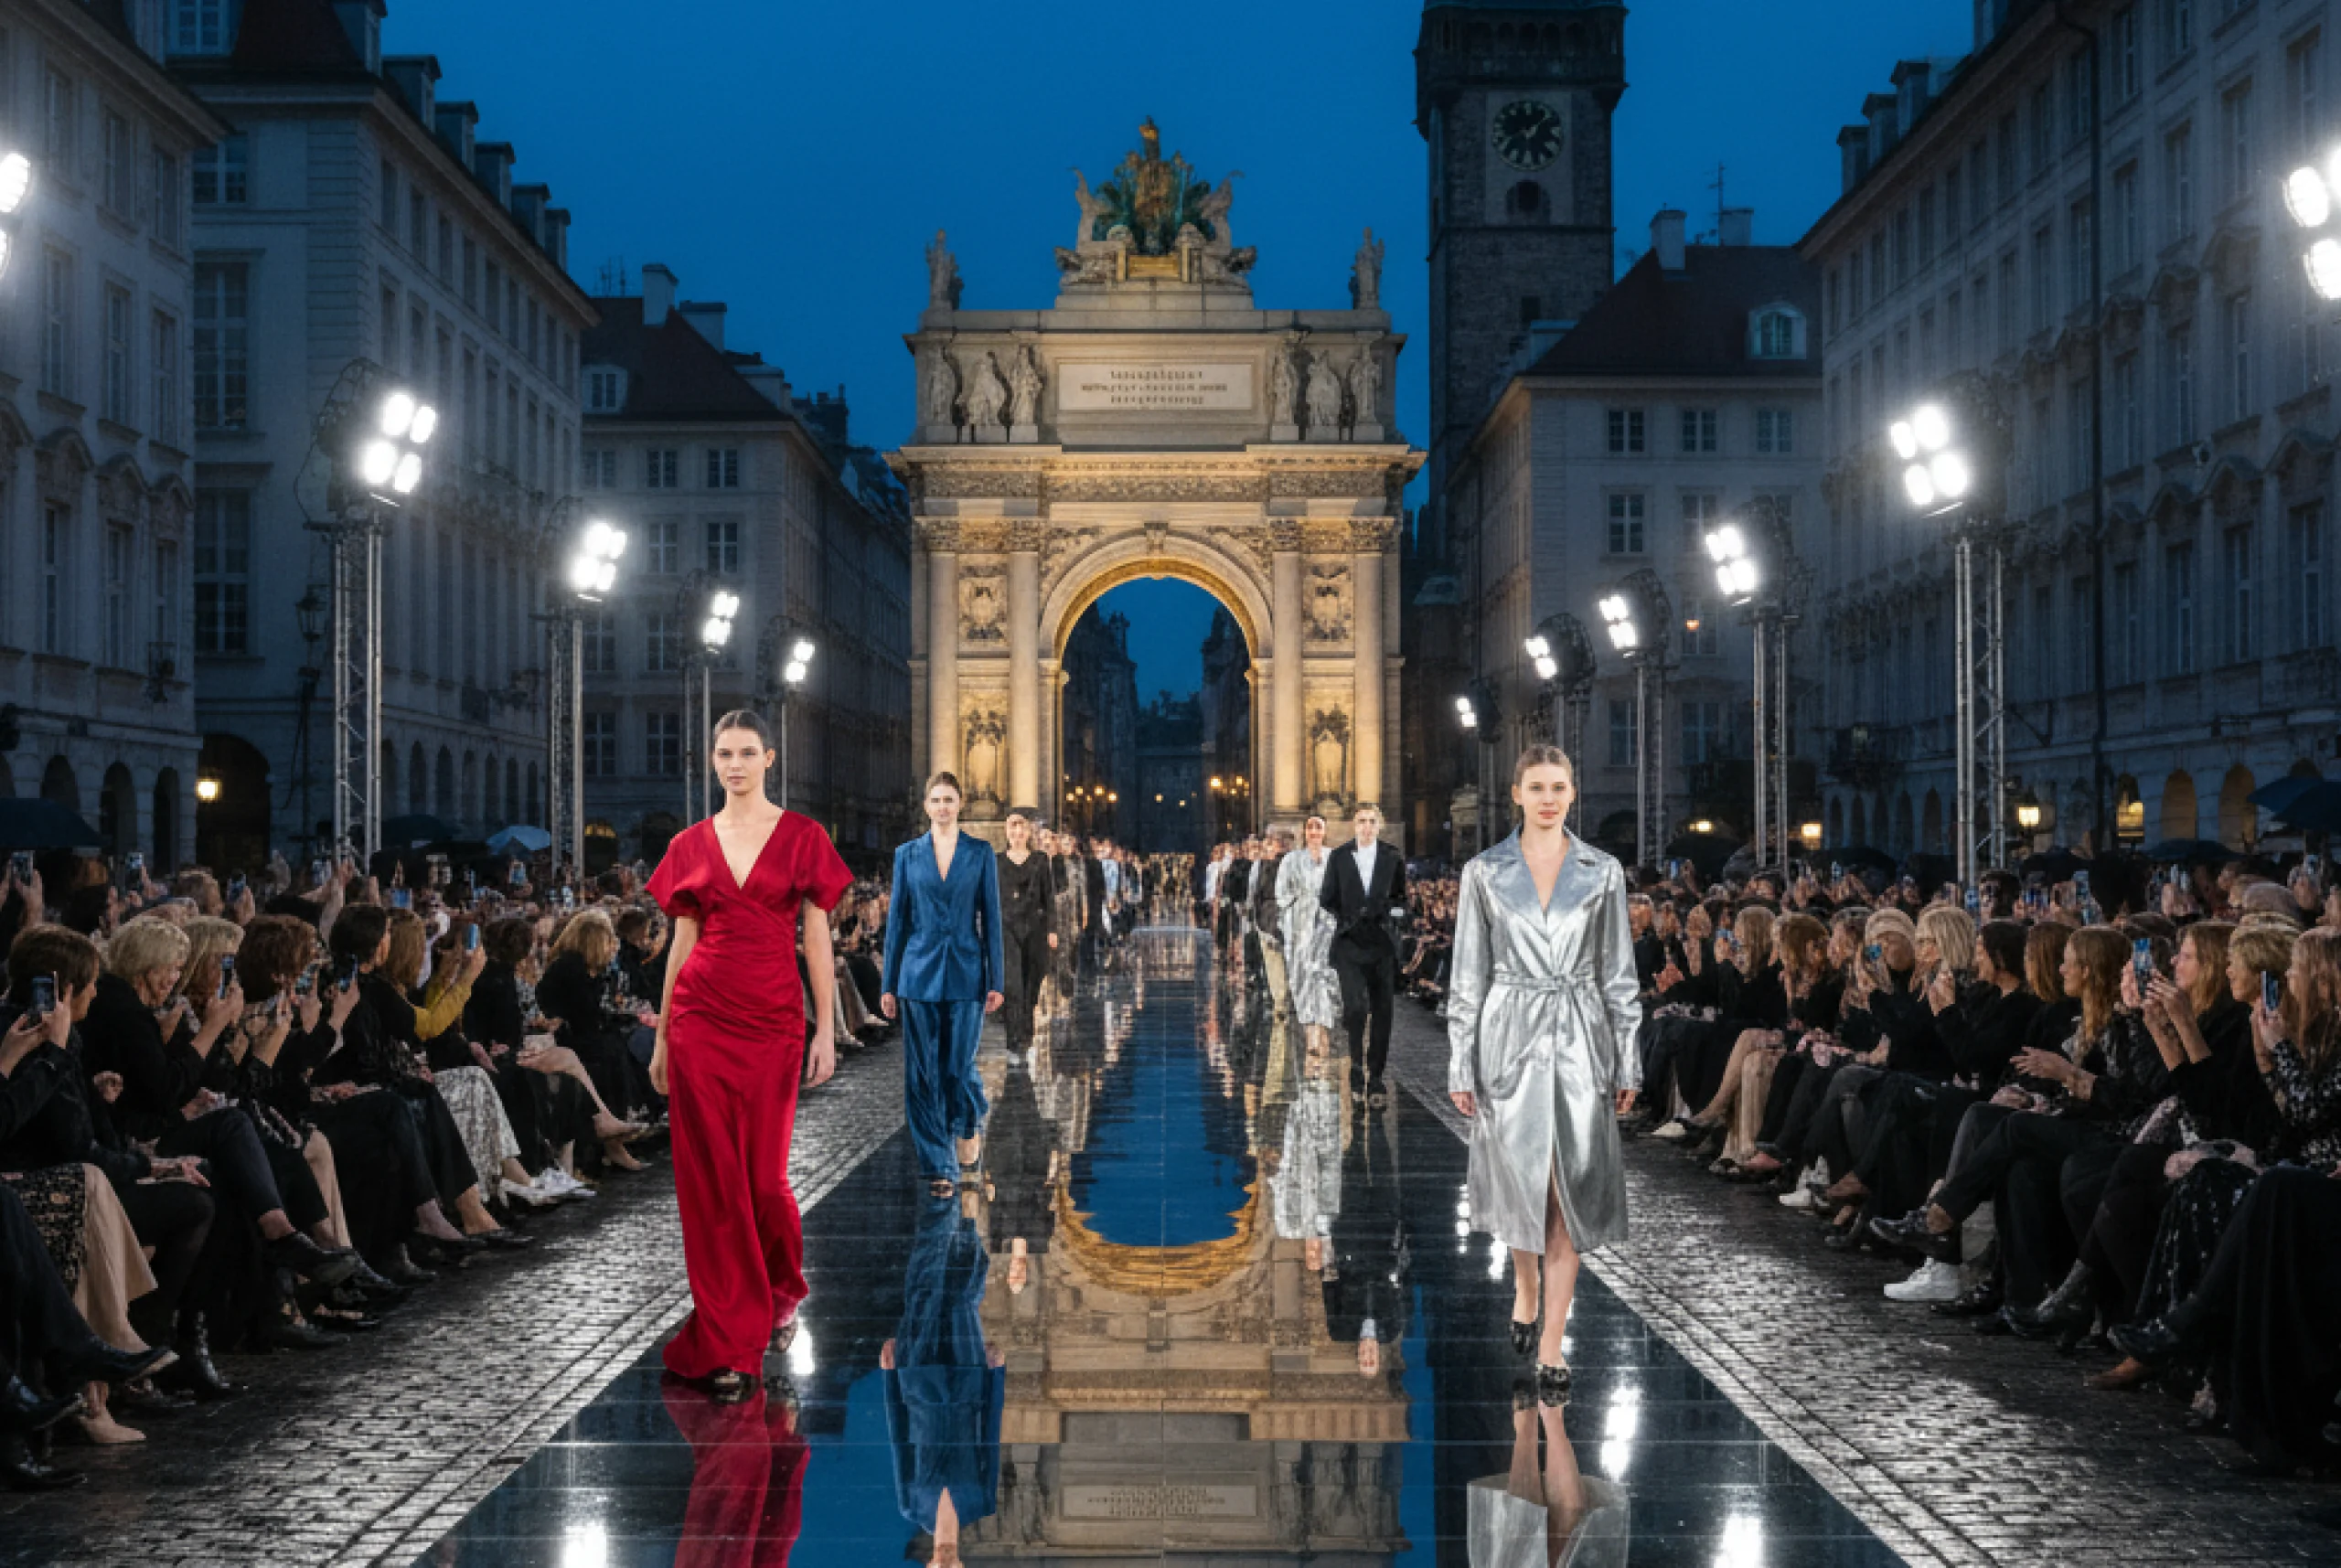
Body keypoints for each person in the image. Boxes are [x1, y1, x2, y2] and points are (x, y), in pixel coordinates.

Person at [648, 710, 854, 1402]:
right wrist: (661, 1035)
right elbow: (681, 946)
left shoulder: (803, 837)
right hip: (701, 1019)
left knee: (763, 1180)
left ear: (770, 756)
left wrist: (827, 1026)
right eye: (722, 753)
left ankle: (781, 1288)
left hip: (772, 1020)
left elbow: (818, 941)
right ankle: (734, 1339)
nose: (733, 764)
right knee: (713, 1186)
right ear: (711, 760)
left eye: (745, 752)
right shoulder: (689, 843)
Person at [1445, 746, 1641, 1406]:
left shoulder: (1603, 871)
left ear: (1573, 792)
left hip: (1582, 1036)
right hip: (1511, 1036)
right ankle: (1526, 1286)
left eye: (1560, 785)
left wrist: (1629, 1055)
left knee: (1569, 1191)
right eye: (1538, 786)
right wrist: (1459, 1060)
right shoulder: (1484, 872)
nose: (1550, 797)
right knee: (1520, 1182)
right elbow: (1467, 976)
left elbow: (1620, 973)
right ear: (1517, 794)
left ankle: (1554, 1338)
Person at [882, 773, 1005, 1200]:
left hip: (968, 972)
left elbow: (991, 920)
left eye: (949, 799)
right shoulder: (906, 855)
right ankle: (938, 1165)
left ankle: (968, 1120)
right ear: (925, 805)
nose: (942, 806)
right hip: (917, 973)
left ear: (961, 803)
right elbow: (897, 921)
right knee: (921, 1073)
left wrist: (997, 979)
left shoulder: (980, 852)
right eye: (935, 799)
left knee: (958, 1066)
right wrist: (888, 983)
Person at [1320, 803, 1408, 1105]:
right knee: (1355, 1008)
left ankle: (1377, 1077)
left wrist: (1391, 917)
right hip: (1350, 944)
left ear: (1380, 824)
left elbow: (1402, 900)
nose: (1367, 827)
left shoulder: (1392, 857)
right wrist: (1346, 919)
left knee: (1384, 1011)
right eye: (1361, 821)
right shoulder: (1340, 857)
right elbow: (1327, 897)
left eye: (1372, 821)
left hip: (1382, 943)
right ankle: (1356, 1067)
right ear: (1353, 825)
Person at [995, 812, 1055, 1060]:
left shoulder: (1040, 861)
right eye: (1013, 827)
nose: (1017, 832)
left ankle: (1027, 1036)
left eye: (1022, 828)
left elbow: (1048, 897)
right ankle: (1013, 1041)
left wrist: (1052, 929)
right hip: (1006, 928)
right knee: (1012, 986)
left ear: (1029, 832)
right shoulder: (996, 861)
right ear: (1006, 831)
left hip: (1035, 927)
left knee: (1031, 985)